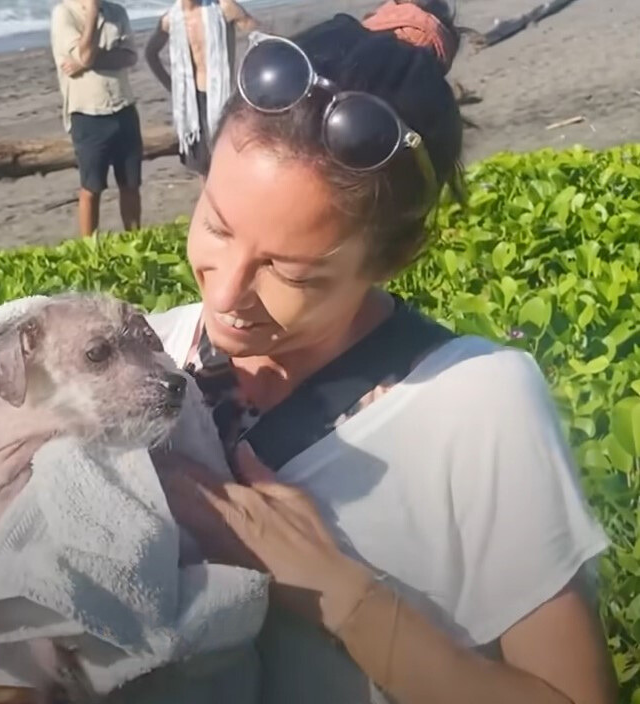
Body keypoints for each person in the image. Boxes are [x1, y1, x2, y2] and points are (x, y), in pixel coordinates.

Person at [144, 6, 620, 704]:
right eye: (215, 224)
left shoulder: (475, 400)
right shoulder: (142, 356)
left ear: (395, 258)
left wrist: (344, 597)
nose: (228, 291)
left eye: (294, 275)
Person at [50, 0, 142, 237]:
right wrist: (92, 12)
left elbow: (130, 57)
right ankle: (90, 249)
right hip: (87, 113)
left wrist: (85, 63)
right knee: (92, 187)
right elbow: (84, 53)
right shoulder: (64, 14)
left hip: (123, 107)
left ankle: (135, 239)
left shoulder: (117, 12)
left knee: (131, 184)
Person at [144, 0, 257, 178]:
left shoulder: (223, 9)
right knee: (204, 168)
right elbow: (150, 54)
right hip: (192, 102)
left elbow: (259, 36)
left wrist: (251, 80)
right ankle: (211, 203)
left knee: (231, 160)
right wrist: (173, 88)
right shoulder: (170, 20)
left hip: (224, 96)